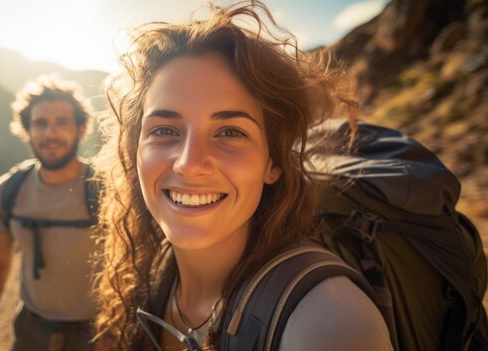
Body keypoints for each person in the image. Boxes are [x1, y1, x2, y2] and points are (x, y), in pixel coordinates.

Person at [91, 1, 393, 350]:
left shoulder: (330, 325)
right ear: (134, 150)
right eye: (164, 130)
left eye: (230, 132)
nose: (189, 163)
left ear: (273, 163)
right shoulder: (150, 273)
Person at [0, 75, 97, 351]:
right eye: (40, 124)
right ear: (26, 130)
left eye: (62, 122)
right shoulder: (10, 189)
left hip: (97, 332)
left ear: (81, 129)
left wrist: (117, 328)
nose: (50, 134)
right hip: (30, 330)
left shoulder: (103, 188)